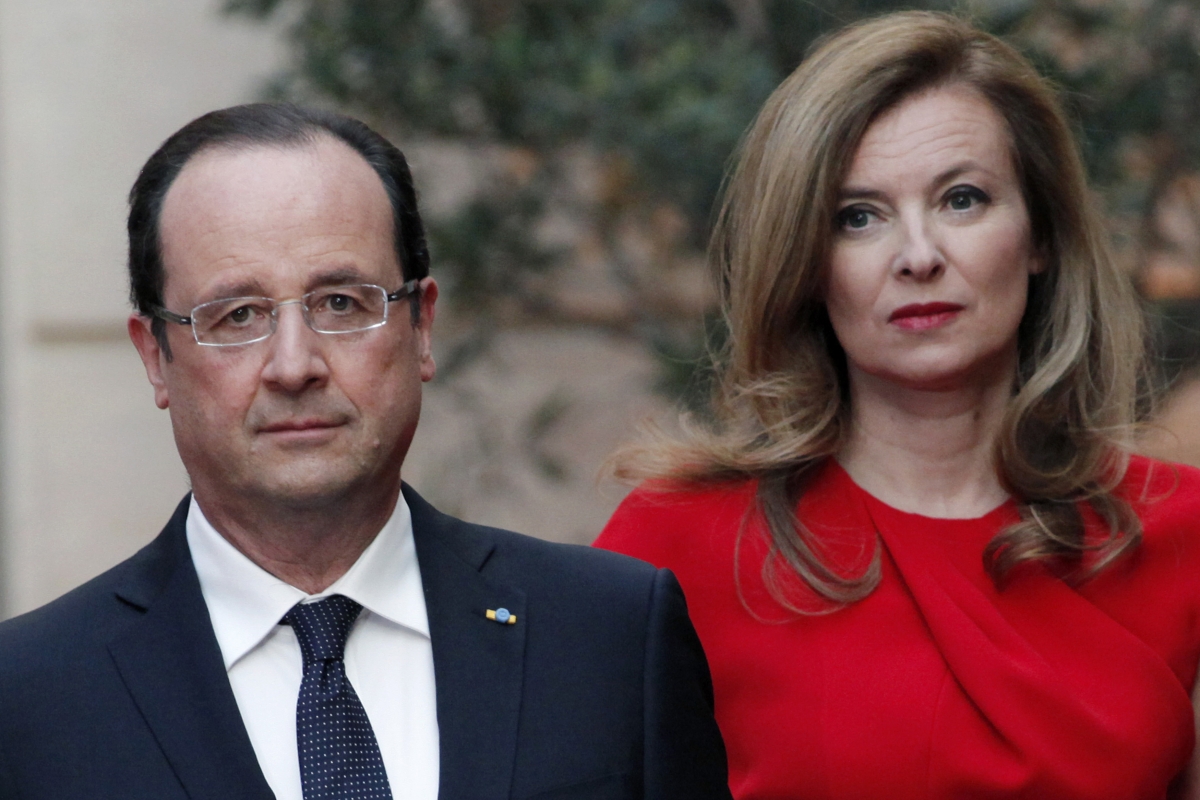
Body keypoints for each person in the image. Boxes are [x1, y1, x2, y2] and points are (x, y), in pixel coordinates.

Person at [0, 103, 732, 800]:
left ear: (420, 329)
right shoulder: (29, 696)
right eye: (238, 315)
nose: (294, 365)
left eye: (341, 303)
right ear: (155, 357)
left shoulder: (607, 637)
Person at [595, 11, 1200, 800]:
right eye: (859, 217)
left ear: (1041, 234)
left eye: (962, 199)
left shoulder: (1182, 535)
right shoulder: (674, 546)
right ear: (808, 264)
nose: (919, 257)